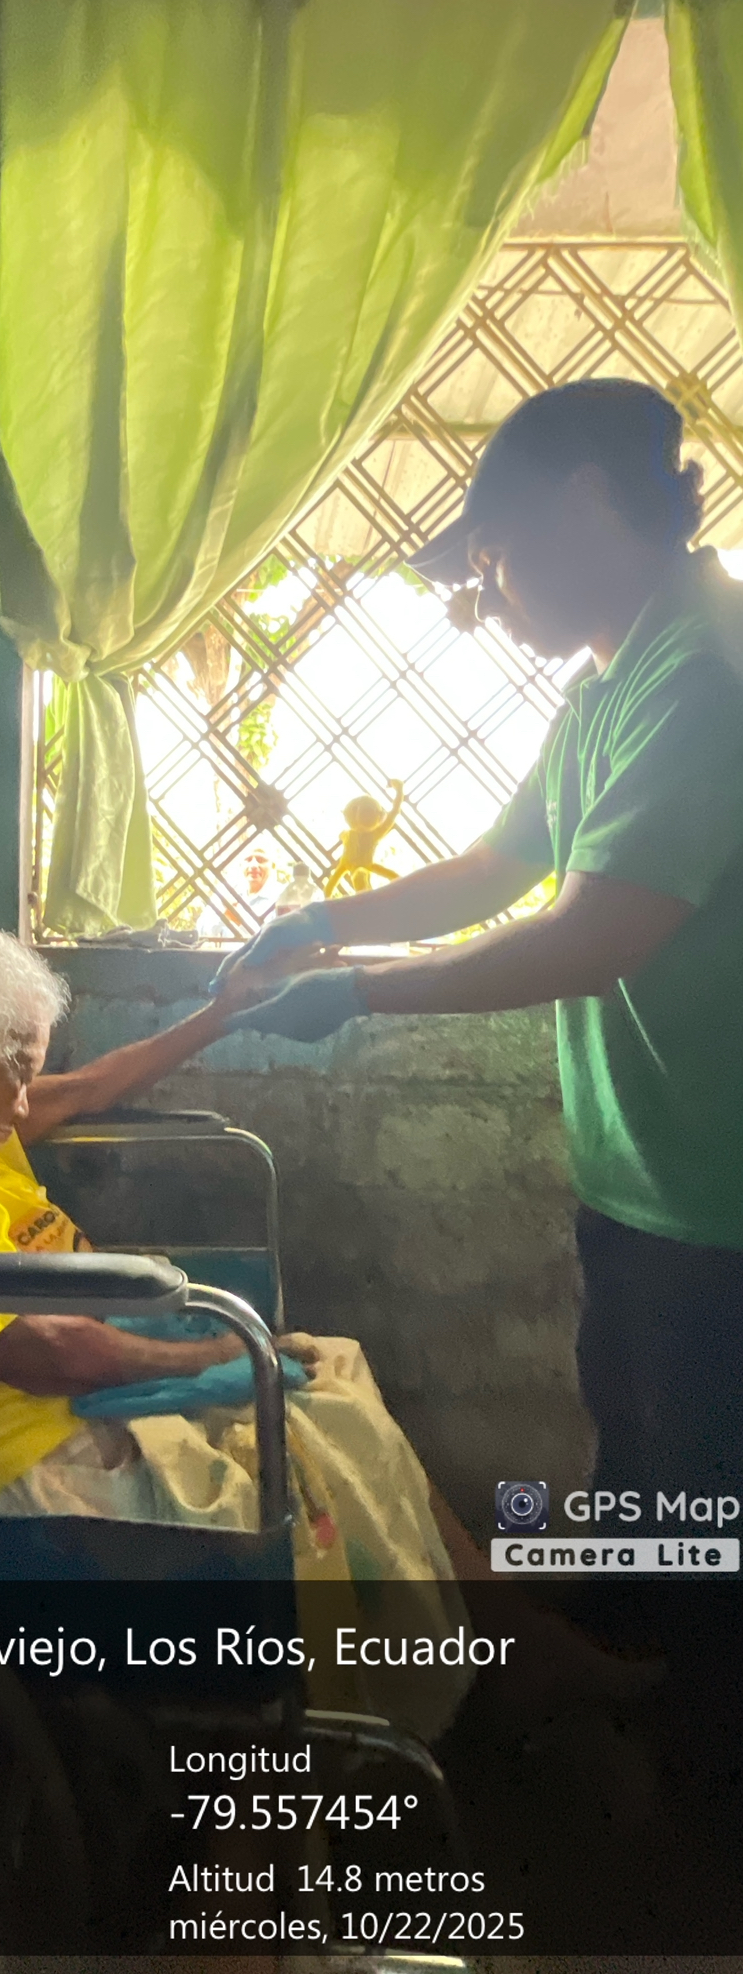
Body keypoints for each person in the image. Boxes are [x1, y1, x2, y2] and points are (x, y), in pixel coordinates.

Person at [217, 379, 743, 1513]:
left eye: (495, 560)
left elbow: (586, 940)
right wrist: (324, 921)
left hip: (721, 1193)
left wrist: (355, 996)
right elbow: (498, 868)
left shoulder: (706, 673)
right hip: (645, 1175)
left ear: (587, 502)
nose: (488, 599)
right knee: (645, 1472)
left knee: (704, 1504)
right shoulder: (610, 685)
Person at [0, 923, 486, 1602]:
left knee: (336, 1376)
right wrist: (216, 1356)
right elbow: (28, 1353)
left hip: (54, 1397)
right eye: (19, 1070)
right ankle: (459, 1638)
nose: (23, 1104)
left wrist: (222, 1014)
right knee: (317, 1440)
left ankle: (491, 1608)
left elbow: (90, 1087)